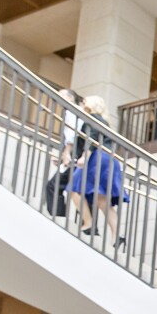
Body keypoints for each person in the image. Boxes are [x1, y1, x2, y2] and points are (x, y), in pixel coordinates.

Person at [69, 95, 128, 245]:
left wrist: (84, 157)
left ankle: (88, 224)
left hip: (98, 158)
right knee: (102, 201)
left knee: (74, 188)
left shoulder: (92, 118)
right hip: (109, 160)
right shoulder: (104, 122)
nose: (83, 103)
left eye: (85, 100)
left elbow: (92, 139)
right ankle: (117, 236)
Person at [45, 88, 82, 217]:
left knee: (54, 186)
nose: (58, 98)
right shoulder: (73, 111)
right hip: (75, 154)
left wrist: (66, 154)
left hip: (73, 155)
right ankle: (89, 227)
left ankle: (58, 217)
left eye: (61, 96)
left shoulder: (72, 111)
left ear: (71, 98)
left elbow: (72, 135)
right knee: (72, 188)